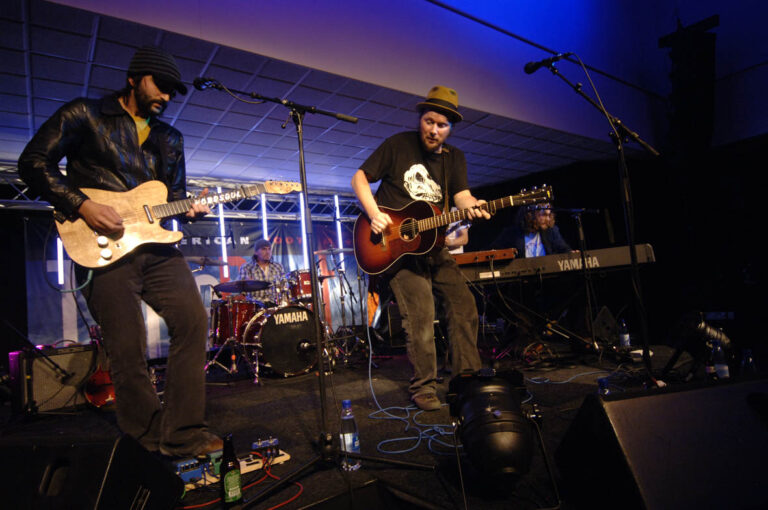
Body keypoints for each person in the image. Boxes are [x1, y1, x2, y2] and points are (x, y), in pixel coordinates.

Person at [18, 46, 222, 457]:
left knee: (194, 322)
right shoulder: (85, 114)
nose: (165, 96)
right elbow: (33, 162)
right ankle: (145, 441)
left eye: (172, 92)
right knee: (127, 348)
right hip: (102, 248)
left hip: (155, 247)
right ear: (134, 77)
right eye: (159, 86)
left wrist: (193, 208)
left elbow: (175, 198)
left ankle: (183, 433)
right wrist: (83, 205)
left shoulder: (170, 138)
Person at [351, 85, 490, 411]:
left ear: (450, 129)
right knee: (421, 315)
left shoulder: (454, 158)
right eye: (429, 121)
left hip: (434, 246)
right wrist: (375, 215)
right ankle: (424, 388)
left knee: (464, 304)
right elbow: (359, 178)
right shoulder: (398, 145)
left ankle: (465, 380)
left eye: (442, 125)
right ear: (421, 119)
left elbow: (461, 198)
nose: (434, 129)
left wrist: (474, 205)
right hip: (395, 249)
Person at [492, 204, 572, 257]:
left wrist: (571, 254)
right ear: (530, 215)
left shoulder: (552, 231)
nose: (547, 219)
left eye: (549, 215)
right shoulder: (511, 233)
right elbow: (492, 251)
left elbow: (563, 249)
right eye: (544, 214)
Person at [236, 238, 284, 304]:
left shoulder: (278, 267)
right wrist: (247, 285)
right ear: (256, 252)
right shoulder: (246, 267)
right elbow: (241, 292)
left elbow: (283, 287)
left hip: (275, 304)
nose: (267, 252)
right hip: (256, 305)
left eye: (269, 249)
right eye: (264, 249)